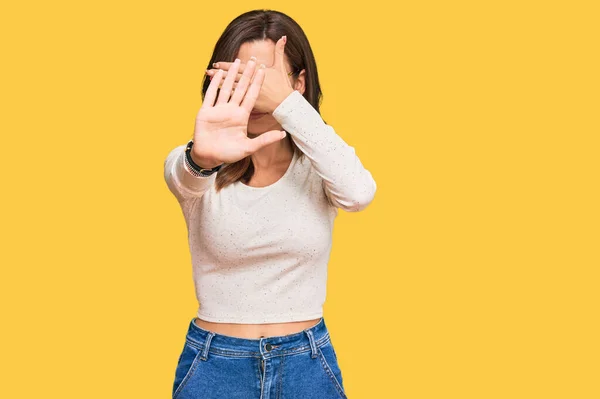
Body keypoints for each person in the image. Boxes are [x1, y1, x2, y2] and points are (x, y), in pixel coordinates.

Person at [163, 9, 376, 399]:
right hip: (215, 366)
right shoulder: (199, 162)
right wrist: (203, 158)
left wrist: (289, 107)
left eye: (267, 79)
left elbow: (359, 193)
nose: (254, 93)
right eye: (241, 79)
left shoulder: (321, 163)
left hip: (306, 365)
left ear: (299, 83)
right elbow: (182, 174)